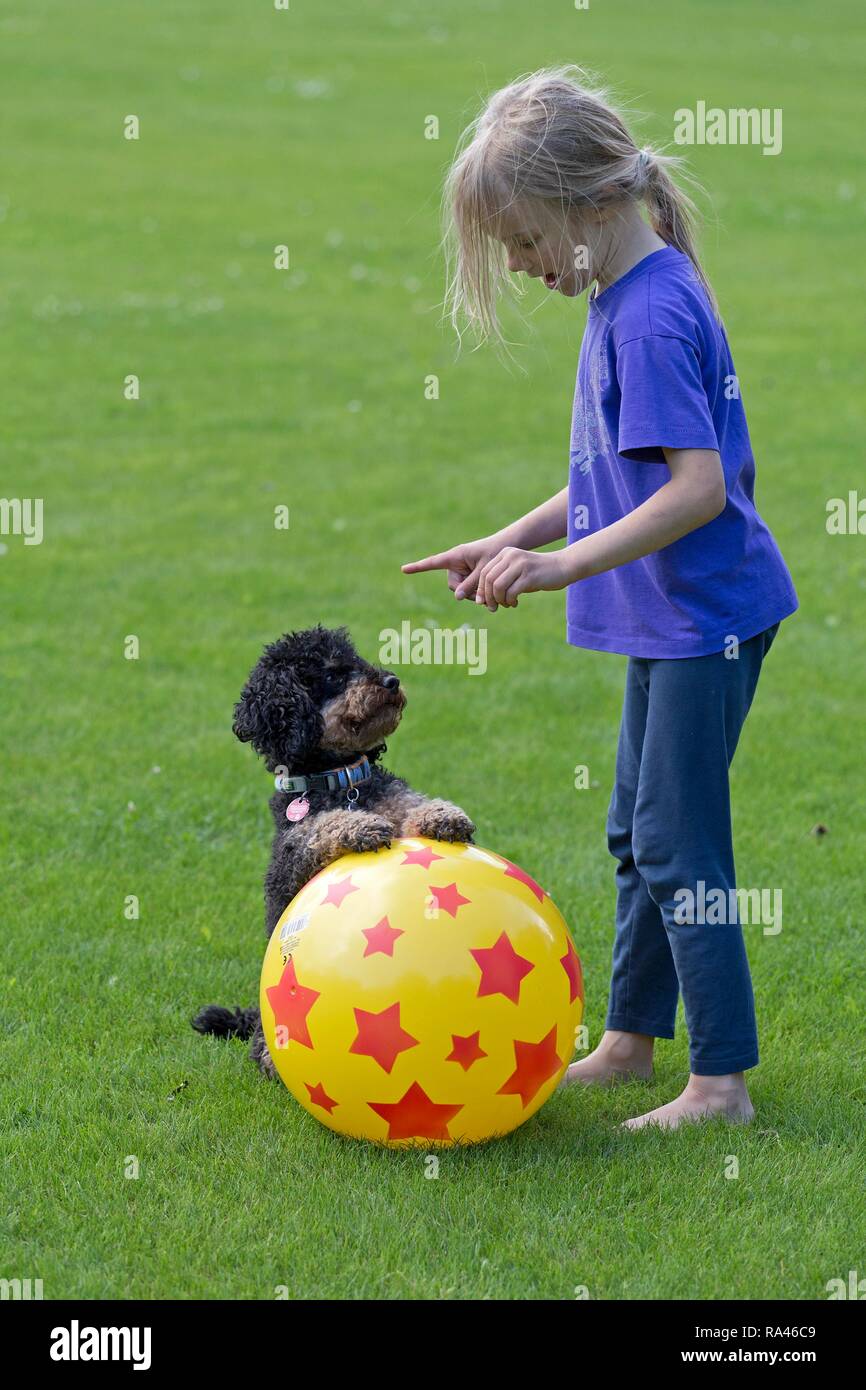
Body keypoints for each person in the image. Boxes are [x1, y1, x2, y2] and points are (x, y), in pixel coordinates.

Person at [402, 67, 798, 1129]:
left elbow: (695, 488)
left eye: (525, 242)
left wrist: (558, 567)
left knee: (678, 841)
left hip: (703, 622)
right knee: (635, 830)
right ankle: (627, 1042)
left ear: (586, 202)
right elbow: (611, 471)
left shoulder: (649, 312)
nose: (524, 268)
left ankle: (718, 1084)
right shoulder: (626, 291)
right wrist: (512, 534)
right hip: (670, 616)